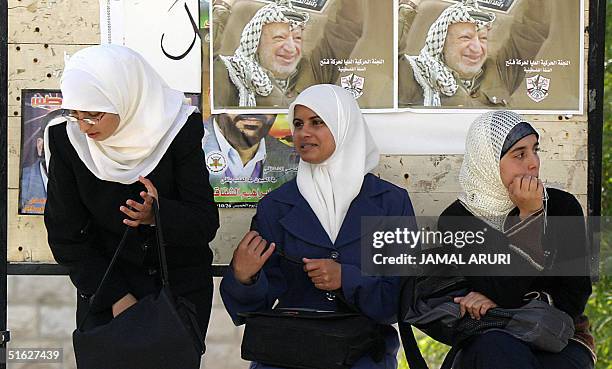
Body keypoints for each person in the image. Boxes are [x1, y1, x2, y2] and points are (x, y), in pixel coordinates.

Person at [43, 45, 219, 361]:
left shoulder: (177, 130)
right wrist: (115, 296)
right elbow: (64, 234)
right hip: (105, 290)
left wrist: (157, 215)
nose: (84, 126)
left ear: (126, 97)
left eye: (94, 114)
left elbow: (204, 222)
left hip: (176, 295)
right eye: (75, 114)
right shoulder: (67, 140)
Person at [220, 84, 414, 368]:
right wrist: (244, 278)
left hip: (361, 352)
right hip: (288, 352)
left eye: (317, 122)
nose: (303, 133)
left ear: (343, 126)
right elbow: (250, 310)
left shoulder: (389, 202)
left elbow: (399, 300)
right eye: (298, 124)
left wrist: (346, 279)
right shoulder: (277, 205)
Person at [437, 111, 595, 368]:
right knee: (497, 351)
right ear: (486, 162)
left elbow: (574, 297)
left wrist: (501, 303)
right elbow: (500, 290)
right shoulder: (457, 220)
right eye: (519, 154)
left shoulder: (561, 207)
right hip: (493, 338)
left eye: (535, 150)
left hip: (560, 337)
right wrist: (529, 217)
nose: (533, 162)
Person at [212, 0, 365, 108]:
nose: (291, 48)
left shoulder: (314, 71)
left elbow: (347, 29)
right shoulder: (231, 73)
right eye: (279, 37)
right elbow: (207, 52)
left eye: (297, 38)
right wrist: (222, 6)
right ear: (256, 42)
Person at [398, 0, 550, 108]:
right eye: (465, 37)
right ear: (441, 43)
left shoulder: (498, 72)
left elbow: (532, 30)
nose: (477, 48)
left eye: (483, 38)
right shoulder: (415, 74)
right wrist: (408, 5)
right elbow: (390, 54)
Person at [203, 113, 299, 183]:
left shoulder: (294, 160)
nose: (252, 112)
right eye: (237, 100)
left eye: (263, 102)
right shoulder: (192, 144)